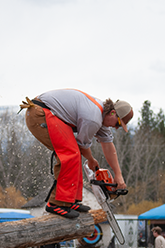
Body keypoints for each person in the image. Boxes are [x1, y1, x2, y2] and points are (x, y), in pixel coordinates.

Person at [20, 89, 133, 218]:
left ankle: (69, 200)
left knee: (74, 155)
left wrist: (118, 175)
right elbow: (82, 145)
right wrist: (91, 159)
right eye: (118, 123)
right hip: (40, 113)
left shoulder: (102, 117)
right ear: (113, 112)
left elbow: (108, 146)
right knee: (70, 154)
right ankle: (56, 203)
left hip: (50, 113)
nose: (116, 127)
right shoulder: (94, 118)